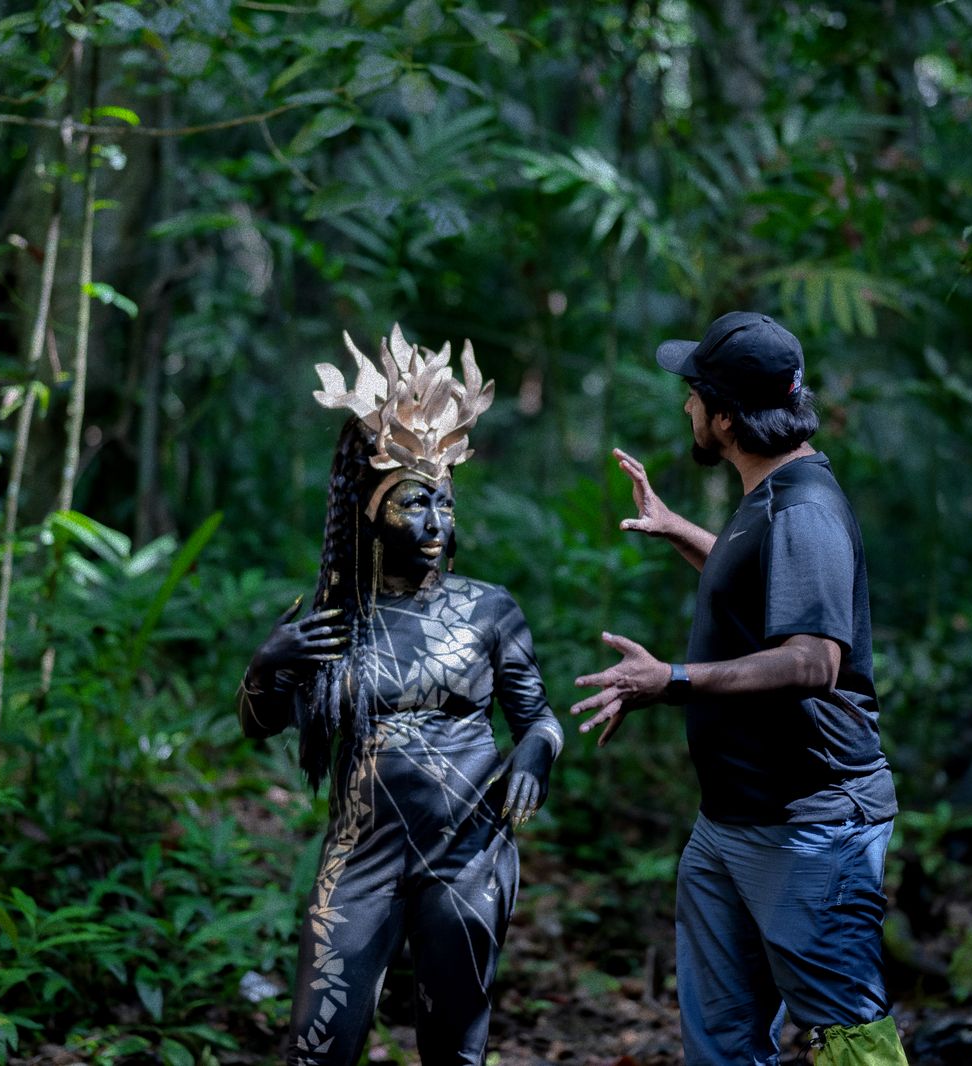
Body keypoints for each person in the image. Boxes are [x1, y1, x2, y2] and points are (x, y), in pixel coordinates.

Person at [571, 311, 909, 1065]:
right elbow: (760, 584)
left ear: (724, 418)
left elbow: (813, 660)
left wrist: (673, 680)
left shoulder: (805, 509)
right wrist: (679, 530)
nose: (685, 407)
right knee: (721, 1043)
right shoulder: (770, 498)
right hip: (731, 821)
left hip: (810, 824)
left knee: (848, 1033)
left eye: (693, 395)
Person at [238, 325, 563, 1066]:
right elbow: (258, 724)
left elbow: (538, 718)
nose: (436, 524)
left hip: (469, 855)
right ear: (370, 509)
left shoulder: (488, 609)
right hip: (361, 860)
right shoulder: (333, 616)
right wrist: (268, 664)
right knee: (316, 1049)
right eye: (415, 504)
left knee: (455, 1054)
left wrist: (534, 756)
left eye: (444, 506)